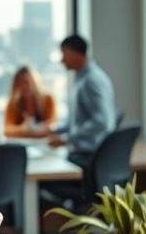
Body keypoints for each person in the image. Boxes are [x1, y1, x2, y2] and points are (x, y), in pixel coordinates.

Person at [48, 34, 117, 167]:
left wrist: (67, 139)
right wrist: (55, 130)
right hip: (87, 153)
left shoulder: (91, 81)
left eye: (64, 53)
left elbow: (102, 121)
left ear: (75, 53)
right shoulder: (83, 78)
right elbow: (79, 119)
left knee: (47, 173)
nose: (62, 60)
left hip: (89, 156)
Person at [3, 66, 56, 139]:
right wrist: (22, 129)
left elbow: (52, 127)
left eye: (26, 81)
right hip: (21, 145)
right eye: (19, 83)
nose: (23, 86)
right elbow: (6, 130)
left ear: (34, 82)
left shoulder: (48, 100)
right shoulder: (13, 104)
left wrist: (26, 132)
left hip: (43, 145)